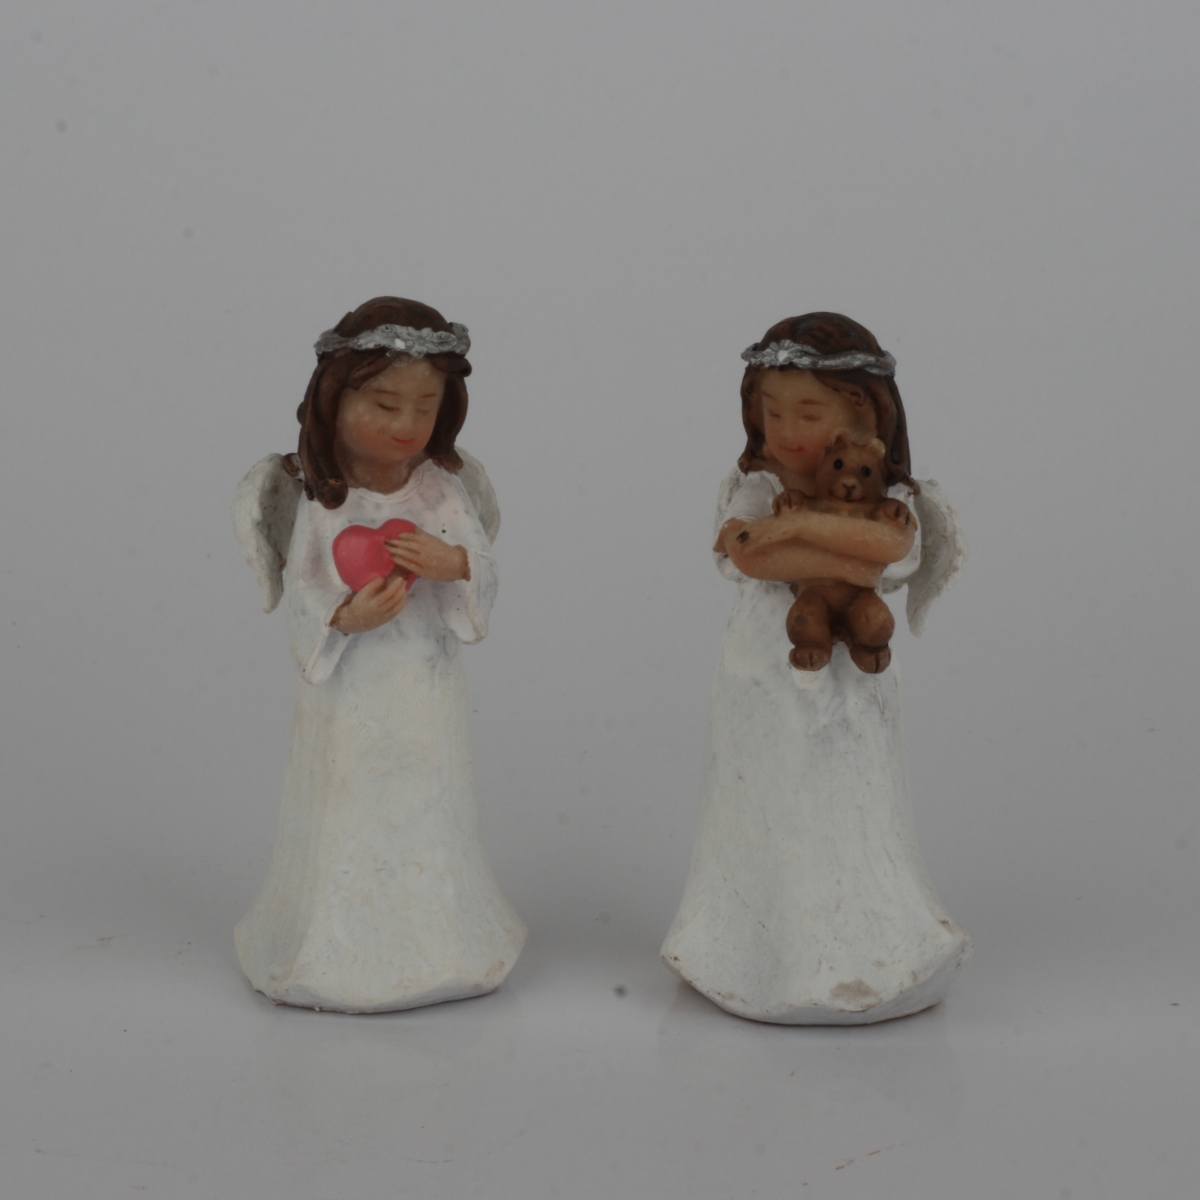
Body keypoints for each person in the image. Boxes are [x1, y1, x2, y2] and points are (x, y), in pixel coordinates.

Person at [660, 312, 970, 1024]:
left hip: (854, 683)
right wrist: (849, 549)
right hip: (762, 669)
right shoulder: (752, 488)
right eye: (772, 413)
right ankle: (748, 950)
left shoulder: (896, 500)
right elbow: (753, 556)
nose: (787, 431)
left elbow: (891, 553)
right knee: (766, 798)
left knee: (847, 800)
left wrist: (797, 527)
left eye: (809, 414)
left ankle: (870, 949)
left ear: (866, 422)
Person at [233, 297, 525, 1013]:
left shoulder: (442, 488)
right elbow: (303, 592)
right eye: (385, 404)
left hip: (424, 679)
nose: (406, 425)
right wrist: (344, 617)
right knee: (350, 804)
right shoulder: (320, 496)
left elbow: (483, 566)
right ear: (332, 402)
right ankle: (331, 944)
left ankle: (445, 940)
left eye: (425, 407)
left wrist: (454, 563)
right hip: (352, 692)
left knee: (428, 800)